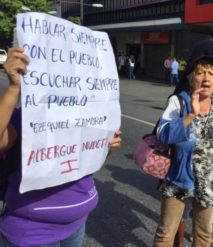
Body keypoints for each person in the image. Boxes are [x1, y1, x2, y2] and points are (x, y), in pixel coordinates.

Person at [0, 48, 122, 247]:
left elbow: (82, 164)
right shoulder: (26, 119)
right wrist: (14, 88)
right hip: (33, 234)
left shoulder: (88, 118)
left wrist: (105, 149)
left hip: (76, 226)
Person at [153, 39, 213, 247]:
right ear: (191, 77)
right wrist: (190, 116)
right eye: (200, 72)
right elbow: (162, 134)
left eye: (212, 73)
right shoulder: (178, 101)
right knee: (165, 233)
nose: (206, 78)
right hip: (178, 180)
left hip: (209, 182)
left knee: (204, 235)